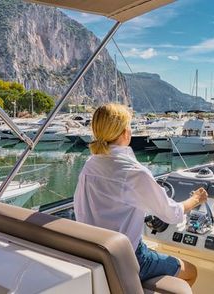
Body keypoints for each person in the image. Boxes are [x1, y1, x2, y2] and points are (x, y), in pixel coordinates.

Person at [73, 103, 207, 286]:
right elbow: (172, 214)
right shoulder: (134, 172)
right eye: (129, 125)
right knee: (191, 271)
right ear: (124, 133)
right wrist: (195, 200)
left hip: (92, 252)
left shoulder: (90, 164)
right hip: (128, 258)